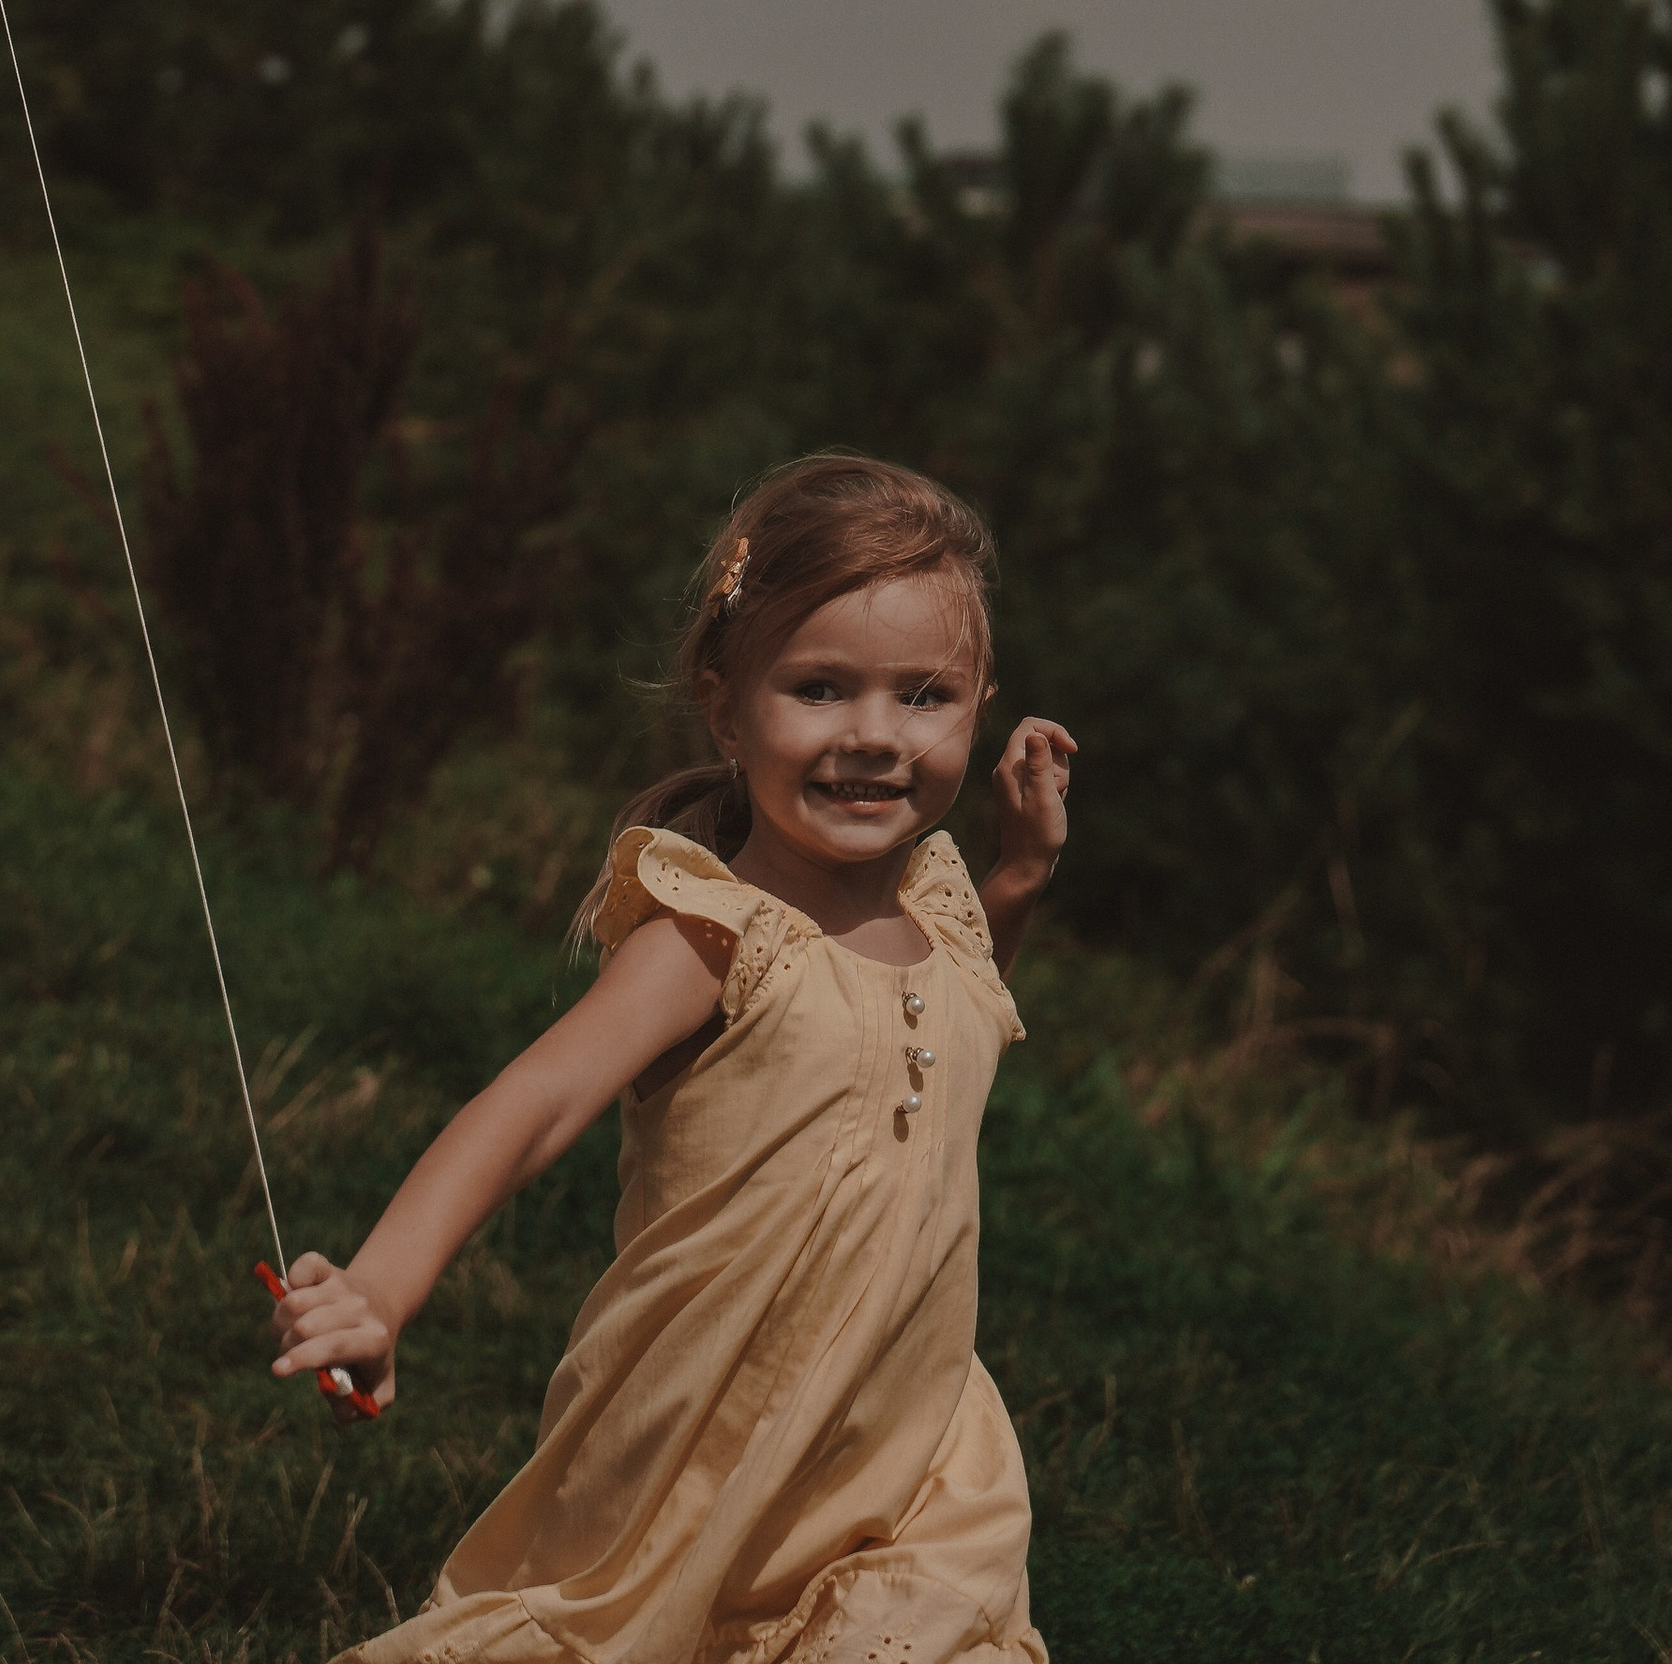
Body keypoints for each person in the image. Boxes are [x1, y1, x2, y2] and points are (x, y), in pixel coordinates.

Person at [268, 452, 1074, 1664]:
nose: (874, 736)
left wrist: (1017, 873)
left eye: (924, 697)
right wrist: (383, 1289)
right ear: (722, 701)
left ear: (982, 701)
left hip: (910, 1451)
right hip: (708, 1419)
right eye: (818, 688)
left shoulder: (945, 905)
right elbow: (535, 1102)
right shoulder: (716, 933)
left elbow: (959, 1015)